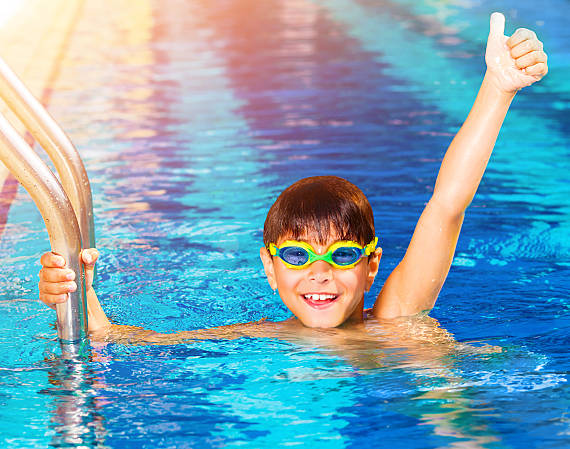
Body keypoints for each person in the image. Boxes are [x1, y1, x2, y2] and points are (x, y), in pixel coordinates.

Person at [38, 13, 548, 345]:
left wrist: (499, 88)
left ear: (372, 265)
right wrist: (78, 292)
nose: (319, 274)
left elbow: (446, 205)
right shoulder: (263, 336)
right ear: (270, 266)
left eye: (344, 255)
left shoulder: (395, 316)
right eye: (298, 256)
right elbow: (121, 338)